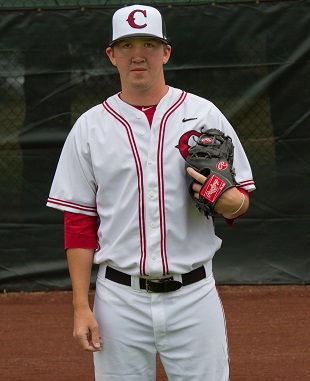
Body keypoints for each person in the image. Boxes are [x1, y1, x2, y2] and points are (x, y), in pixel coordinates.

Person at [47, 4, 255, 381]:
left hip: (193, 294)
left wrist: (231, 202)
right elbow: (78, 221)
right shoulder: (90, 126)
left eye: (148, 43)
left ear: (166, 52)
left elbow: (240, 202)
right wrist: (81, 304)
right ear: (112, 55)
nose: (137, 54)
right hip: (118, 300)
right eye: (126, 45)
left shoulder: (204, 113)